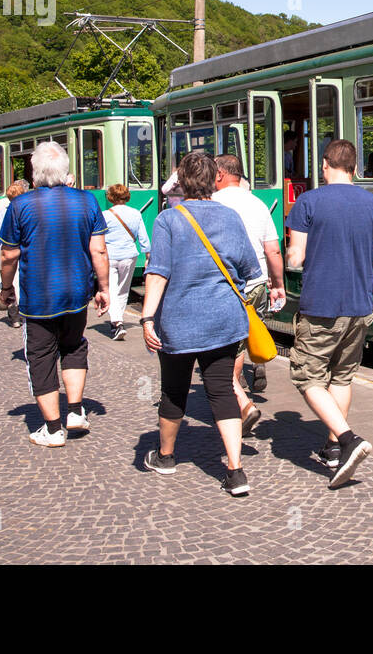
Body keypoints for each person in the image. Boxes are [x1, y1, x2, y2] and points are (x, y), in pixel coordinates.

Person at [139, 150, 260, 497]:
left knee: (174, 389)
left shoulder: (168, 220)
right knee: (221, 390)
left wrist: (147, 317)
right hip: (224, 320)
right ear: (212, 180)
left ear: (180, 181)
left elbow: (158, 273)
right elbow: (250, 270)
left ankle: (165, 457)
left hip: (178, 322)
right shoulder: (230, 216)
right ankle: (236, 471)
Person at [284, 138, 373, 488]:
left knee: (307, 377)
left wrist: (295, 257)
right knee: (342, 378)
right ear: (355, 168)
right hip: (360, 305)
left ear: (325, 165)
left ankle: (348, 440)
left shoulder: (308, 201)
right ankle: (333, 450)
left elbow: (295, 258)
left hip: (321, 305)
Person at [0, 142, 110, 448]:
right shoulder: (87, 201)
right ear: (65, 170)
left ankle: (53, 428)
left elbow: (8, 256)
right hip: (77, 292)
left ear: (35, 172)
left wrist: (6, 289)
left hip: (39, 296)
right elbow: (98, 249)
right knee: (74, 347)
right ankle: (74, 412)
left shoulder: (21, 206)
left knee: (41, 357)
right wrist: (104, 288)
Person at [211, 153, 285, 426]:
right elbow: (273, 249)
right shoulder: (258, 204)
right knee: (247, 335)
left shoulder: (210, 203)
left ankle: (237, 404)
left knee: (230, 348)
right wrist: (278, 284)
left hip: (226, 285)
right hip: (257, 283)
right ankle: (244, 387)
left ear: (219, 175)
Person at [101, 184, 151, 341]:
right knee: (123, 290)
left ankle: (117, 323)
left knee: (111, 289)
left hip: (109, 256)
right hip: (129, 256)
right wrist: (148, 256)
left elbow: (98, 237)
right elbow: (143, 237)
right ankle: (118, 321)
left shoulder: (105, 215)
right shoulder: (135, 214)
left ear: (111, 197)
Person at [0, 179, 29, 325]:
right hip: (20, 250)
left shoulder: (4, 208)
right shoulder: (28, 210)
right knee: (18, 280)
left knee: (2, 275)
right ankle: (18, 311)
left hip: (2, 250)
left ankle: (11, 308)